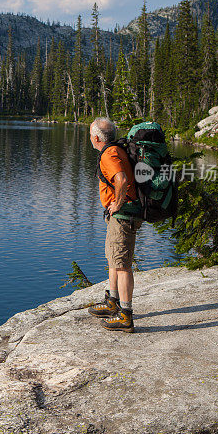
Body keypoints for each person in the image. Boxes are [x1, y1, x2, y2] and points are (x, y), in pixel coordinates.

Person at [88, 117, 143, 332]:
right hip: (119, 217)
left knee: (122, 265)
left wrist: (117, 205)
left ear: (96, 138)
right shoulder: (115, 150)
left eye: (90, 136)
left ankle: (126, 315)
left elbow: (121, 179)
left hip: (123, 216)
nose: (89, 139)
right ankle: (113, 302)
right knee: (114, 259)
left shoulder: (110, 154)